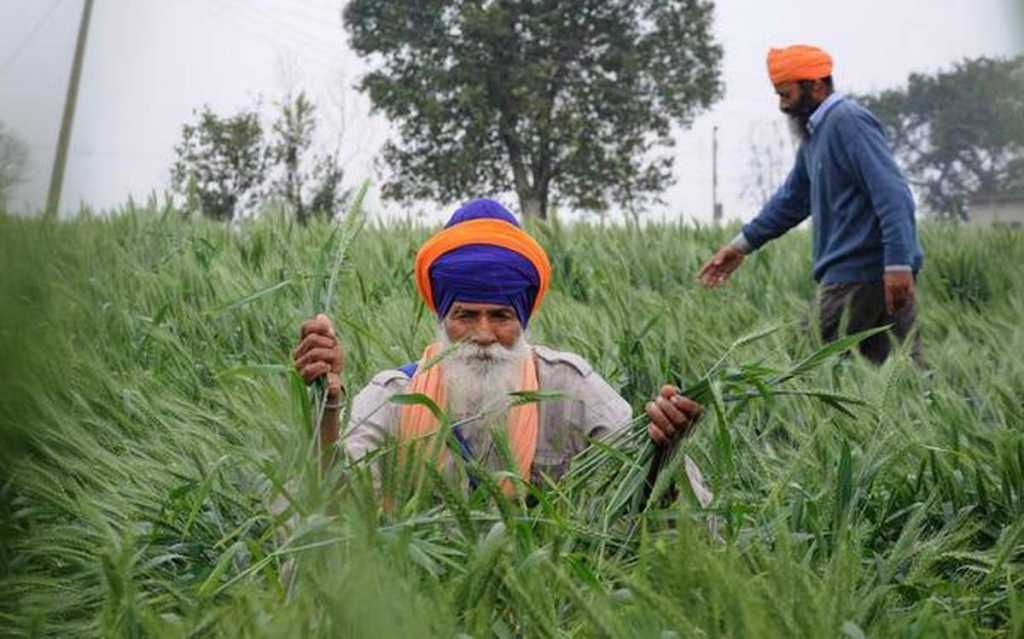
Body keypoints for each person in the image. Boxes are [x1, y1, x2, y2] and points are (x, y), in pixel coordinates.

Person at [292, 198, 710, 500]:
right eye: (465, 316)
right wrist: (328, 404)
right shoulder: (397, 394)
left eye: (501, 316)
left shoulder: (568, 386)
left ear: (523, 320)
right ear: (440, 319)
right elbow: (329, 499)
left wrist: (663, 452)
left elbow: (654, 501)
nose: (484, 334)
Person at [698, 45, 924, 365]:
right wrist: (740, 246)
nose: (781, 106)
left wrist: (898, 265)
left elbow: (893, 194)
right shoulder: (816, 135)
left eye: (786, 95)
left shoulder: (847, 121)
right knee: (898, 374)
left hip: (858, 275)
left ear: (815, 85)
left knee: (807, 367)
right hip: (868, 274)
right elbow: (792, 200)